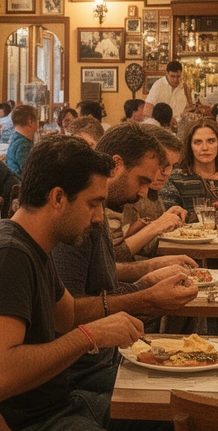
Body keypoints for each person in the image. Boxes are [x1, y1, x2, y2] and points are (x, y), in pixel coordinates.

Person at [0, 136, 188, 431]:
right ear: (58, 197)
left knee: (187, 428)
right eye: (93, 204)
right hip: (31, 430)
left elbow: (71, 313)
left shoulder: (33, 246)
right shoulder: (8, 257)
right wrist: (89, 336)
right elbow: (0, 377)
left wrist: (138, 294)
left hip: (62, 403)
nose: (98, 218)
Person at [52, 124, 198, 390]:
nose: (144, 192)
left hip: (103, 358)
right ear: (116, 165)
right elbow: (69, 312)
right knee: (191, 392)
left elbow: (100, 278)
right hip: (85, 373)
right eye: (142, 180)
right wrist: (146, 296)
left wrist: (148, 272)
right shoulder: (78, 219)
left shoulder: (98, 208)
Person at [116, 126, 189, 262]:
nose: (167, 172)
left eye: (173, 165)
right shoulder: (126, 193)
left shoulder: (153, 193)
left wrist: (166, 220)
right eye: (162, 164)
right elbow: (116, 256)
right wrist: (158, 225)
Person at [159, 117, 218, 223]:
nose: (205, 147)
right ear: (190, 147)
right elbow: (169, 220)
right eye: (197, 142)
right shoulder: (176, 178)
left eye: (211, 141)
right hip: (187, 236)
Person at [4, 103, 38, 176]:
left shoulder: (16, 138)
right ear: (30, 121)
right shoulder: (23, 144)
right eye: (36, 120)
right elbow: (31, 173)